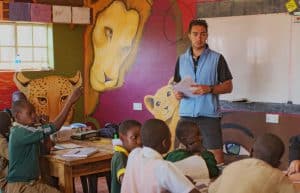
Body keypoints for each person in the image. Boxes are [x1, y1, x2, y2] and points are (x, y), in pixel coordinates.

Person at [173, 19, 233, 164]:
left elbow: (228, 86)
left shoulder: (217, 58)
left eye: (202, 34)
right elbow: (176, 84)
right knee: (184, 157)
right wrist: (177, 93)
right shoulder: (181, 60)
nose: (199, 38)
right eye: (195, 34)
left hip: (209, 116)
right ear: (189, 35)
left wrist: (210, 88)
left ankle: (218, 186)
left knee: (216, 157)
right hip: (186, 116)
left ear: (207, 36)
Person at [6, 86, 82, 193]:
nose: (34, 116)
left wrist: (45, 127)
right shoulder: (20, 132)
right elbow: (55, 127)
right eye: (30, 113)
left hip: (33, 183)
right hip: (21, 186)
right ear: (18, 116)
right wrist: (69, 102)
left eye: (34, 112)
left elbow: (46, 150)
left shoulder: (30, 130)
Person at [121, 118, 200, 193]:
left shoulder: (134, 154)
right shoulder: (164, 167)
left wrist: (179, 181)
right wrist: (182, 183)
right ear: (165, 143)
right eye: (170, 137)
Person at [208, 133, 297, 193]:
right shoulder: (278, 177)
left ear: (251, 151)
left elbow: (211, 190)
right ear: (278, 164)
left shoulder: (232, 167)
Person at [111, 119, 142, 193]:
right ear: (122, 138)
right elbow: (125, 182)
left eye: (141, 137)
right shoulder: (121, 156)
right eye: (134, 137)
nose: (139, 141)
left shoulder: (132, 152)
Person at [0, 112, 12, 193]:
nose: (10, 127)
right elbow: (13, 157)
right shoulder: (1, 141)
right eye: (8, 125)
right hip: (5, 183)